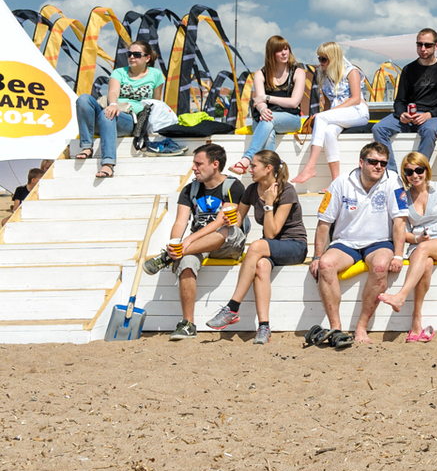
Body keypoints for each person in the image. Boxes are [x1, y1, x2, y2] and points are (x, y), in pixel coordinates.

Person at [143, 144, 247, 341]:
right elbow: (180, 222)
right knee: (186, 262)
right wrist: (175, 244)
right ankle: (188, 324)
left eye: (199, 163)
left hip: (229, 242)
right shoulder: (190, 189)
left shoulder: (233, 186)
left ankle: (167, 257)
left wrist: (187, 241)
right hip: (199, 244)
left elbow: (222, 222)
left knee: (223, 231)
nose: (194, 167)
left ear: (215, 164)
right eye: (194, 163)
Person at [307, 142, 405, 348]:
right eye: (373, 161)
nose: (378, 166)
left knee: (380, 266)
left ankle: (361, 326)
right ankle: (336, 328)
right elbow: (324, 222)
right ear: (361, 162)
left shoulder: (393, 180)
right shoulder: (341, 182)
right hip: (345, 242)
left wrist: (398, 255)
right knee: (325, 264)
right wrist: (316, 256)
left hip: (379, 241)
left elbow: (399, 222)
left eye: (383, 163)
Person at [204, 150, 307, 344]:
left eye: (253, 166)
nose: (249, 169)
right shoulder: (252, 189)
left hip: (294, 245)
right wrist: (228, 219)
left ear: (268, 168)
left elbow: (271, 233)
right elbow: (238, 221)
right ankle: (264, 327)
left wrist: (268, 203)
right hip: (269, 247)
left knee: (257, 246)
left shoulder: (287, 190)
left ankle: (232, 307)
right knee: (261, 266)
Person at [377, 152, 437, 340]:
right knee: (427, 264)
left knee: (423, 250)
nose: (414, 175)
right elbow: (402, 231)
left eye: (419, 170)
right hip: (419, 241)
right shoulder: (402, 196)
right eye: (409, 172)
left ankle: (400, 296)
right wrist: (417, 239)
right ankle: (416, 323)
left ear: (426, 169)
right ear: (404, 174)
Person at [74, 38, 182, 176]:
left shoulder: (155, 75)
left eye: (136, 55)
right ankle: (86, 147)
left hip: (131, 119)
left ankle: (108, 163)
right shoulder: (119, 72)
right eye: (129, 54)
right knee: (83, 99)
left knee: (107, 115)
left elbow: (156, 103)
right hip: (110, 112)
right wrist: (113, 104)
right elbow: (113, 92)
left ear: (147, 58)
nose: (131, 57)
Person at [372, 29, 437, 169]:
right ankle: (391, 172)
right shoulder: (408, 69)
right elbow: (399, 100)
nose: (423, 48)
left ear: (436, 46)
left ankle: (418, 170)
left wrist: (429, 115)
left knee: (430, 130)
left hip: (431, 116)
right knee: (378, 128)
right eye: (419, 44)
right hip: (409, 116)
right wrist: (402, 114)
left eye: (428, 45)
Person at [290, 42, 366, 186]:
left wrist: (326, 114)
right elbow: (327, 103)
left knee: (321, 117)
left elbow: (356, 99)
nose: (320, 62)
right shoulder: (321, 73)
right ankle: (335, 181)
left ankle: (310, 166)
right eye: (319, 58)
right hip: (338, 113)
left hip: (357, 111)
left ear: (333, 58)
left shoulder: (351, 71)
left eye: (323, 59)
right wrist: (325, 114)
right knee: (328, 132)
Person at [230, 35, 307, 175]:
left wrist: (267, 98)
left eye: (286, 49)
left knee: (268, 119)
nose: (284, 53)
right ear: (271, 53)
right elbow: (259, 102)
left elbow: (294, 102)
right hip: (265, 118)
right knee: (269, 130)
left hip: (290, 118)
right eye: (279, 50)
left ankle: (247, 159)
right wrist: (263, 109)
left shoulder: (298, 72)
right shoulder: (261, 74)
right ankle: (272, 173)